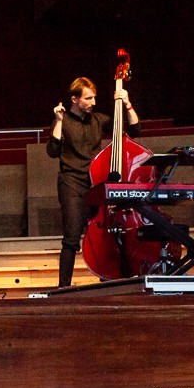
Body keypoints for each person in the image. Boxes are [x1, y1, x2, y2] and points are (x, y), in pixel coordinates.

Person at [46, 77, 140, 287]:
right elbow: (52, 151)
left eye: (94, 97)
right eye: (88, 98)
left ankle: (107, 280)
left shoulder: (98, 119)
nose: (93, 102)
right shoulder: (63, 121)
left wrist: (127, 103)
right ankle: (64, 287)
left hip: (96, 182)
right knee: (71, 237)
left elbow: (135, 130)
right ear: (74, 99)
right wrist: (59, 121)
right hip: (71, 182)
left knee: (106, 234)